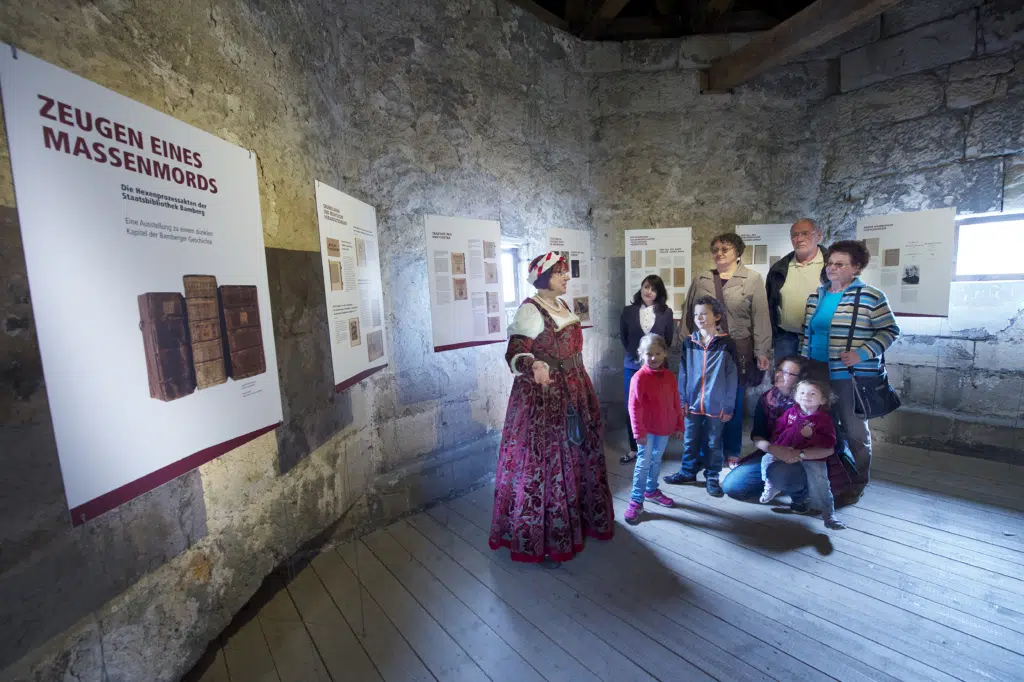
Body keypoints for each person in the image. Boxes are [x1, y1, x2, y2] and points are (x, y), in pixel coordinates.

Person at [489, 252, 614, 565]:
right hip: (544, 398)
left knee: (578, 455)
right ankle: (547, 537)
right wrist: (535, 365)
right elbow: (515, 353)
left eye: (565, 272)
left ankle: (580, 523)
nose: (566, 277)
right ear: (544, 278)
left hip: (575, 389)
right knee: (548, 462)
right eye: (560, 273)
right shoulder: (530, 310)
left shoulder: (562, 306)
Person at [801, 240, 901, 501]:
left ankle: (856, 483)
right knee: (822, 427)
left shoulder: (871, 296)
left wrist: (861, 353)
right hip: (817, 373)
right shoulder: (816, 296)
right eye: (830, 263)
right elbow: (807, 335)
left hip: (849, 376)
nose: (832, 268)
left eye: (840, 264)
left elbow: (890, 331)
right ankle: (830, 478)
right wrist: (802, 367)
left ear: (855, 268)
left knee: (855, 431)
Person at [682, 233, 771, 467]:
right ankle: (706, 452)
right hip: (706, 348)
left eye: (726, 249)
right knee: (703, 396)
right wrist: (686, 343)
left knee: (732, 400)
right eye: (716, 249)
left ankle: (732, 450)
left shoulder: (752, 279)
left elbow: (760, 317)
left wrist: (762, 351)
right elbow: (689, 312)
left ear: (738, 252)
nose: (719, 253)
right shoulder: (702, 278)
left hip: (737, 349)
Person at [721, 356, 851, 512]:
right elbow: (758, 435)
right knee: (733, 487)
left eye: (788, 373)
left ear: (800, 380)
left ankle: (801, 493)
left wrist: (798, 454)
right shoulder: (767, 399)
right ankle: (782, 482)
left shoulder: (813, 401)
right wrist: (773, 449)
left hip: (811, 458)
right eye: (779, 370)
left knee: (783, 473)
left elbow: (836, 446)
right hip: (776, 453)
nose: (780, 375)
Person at [665, 296, 738, 497]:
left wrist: (728, 406)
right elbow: (683, 373)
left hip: (716, 404)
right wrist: (683, 401)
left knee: (714, 442)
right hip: (693, 402)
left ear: (716, 316)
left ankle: (712, 476)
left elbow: (732, 376)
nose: (699, 318)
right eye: (696, 314)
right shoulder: (689, 341)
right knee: (689, 439)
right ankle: (687, 471)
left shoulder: (726, 343)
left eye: (704, 313)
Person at [759, 378, 845, 529]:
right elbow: (778, 430)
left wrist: (812, 435)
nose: (807, 396)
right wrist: (778, 446)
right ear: (795, 395)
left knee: (821, 483)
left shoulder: (823, 419)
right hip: (787, 452)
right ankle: (771, 485)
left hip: (812, 458)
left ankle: (829, 514)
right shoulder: (790, 413)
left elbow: (830, 442)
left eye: (813, 393)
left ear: (823, 399)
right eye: (803, 392)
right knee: (766, 460)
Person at [624, 334, 684, 524]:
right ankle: (636, 500)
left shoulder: (669, 377)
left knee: (657, 460)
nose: (654, 357)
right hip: (647, 431)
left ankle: (651, 490)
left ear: (665, 353)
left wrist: (679, 424)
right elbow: (633, 407)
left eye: (658, 353)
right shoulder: (639, 378)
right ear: (641, 354)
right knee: (643, 463)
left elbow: (676, 401)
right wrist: (638, 433)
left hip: (664, 430)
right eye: (649, 353)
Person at [619, 275, 676, 464]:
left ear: (659, 293)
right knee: (633, 407)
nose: (649, 291)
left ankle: (654, 447)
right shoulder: (628, 311)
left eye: (653, 288)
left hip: (658, 368)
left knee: (656, 407)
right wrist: (638, 358)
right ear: (641, 288)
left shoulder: (666, 312)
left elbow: (667, 340)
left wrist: (654, 360)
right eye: (646, 287)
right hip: (633, 366)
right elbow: (624, 338)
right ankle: (634, 448)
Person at [766, 219, 828, 361]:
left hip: (820, 338)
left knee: (817, 379)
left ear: (818, 236)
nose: (799, 239)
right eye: (794, 235)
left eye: (805, 234)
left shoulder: (831, 265)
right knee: (785, 380)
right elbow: (769, 304)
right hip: (786, 337)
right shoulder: (779, 268)